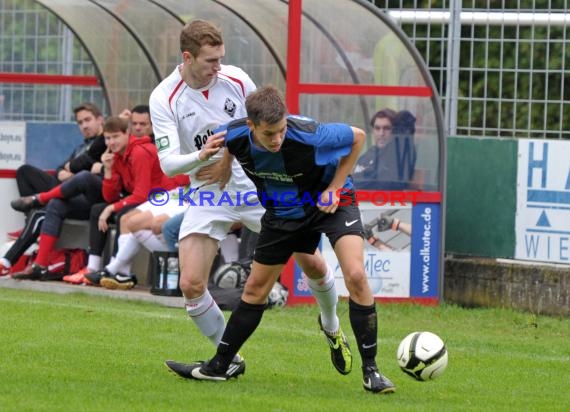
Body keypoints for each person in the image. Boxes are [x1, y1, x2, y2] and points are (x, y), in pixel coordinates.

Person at [150, 20, 351, 379]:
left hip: (256, 186)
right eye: (211, 60)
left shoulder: (237, 80)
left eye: (221, 58)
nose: (218, 66)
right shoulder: (164, 97)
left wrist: (227, 160)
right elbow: (167, 165)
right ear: (187, 56)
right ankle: (228, 359)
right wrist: (201, 158)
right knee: (191, 285)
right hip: (206, 193)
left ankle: (332, 326)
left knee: (314, 265)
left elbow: (260, 127)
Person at [175, 85, 396, 394]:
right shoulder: (236, 133)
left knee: (356, 275)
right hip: (283, 213)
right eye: (269, 134)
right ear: (251, 125)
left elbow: (358, 136)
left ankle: (372, 371)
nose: (277, 139)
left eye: (281, 130)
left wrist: (334, 186)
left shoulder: (310, 133)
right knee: (254, 290)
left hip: (330, 203)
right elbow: (225, 139)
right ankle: (218, 366)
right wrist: (225, 162)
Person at [12, 102, 106, 205]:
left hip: (82, 194)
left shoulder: (105, 142)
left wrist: (72, 173)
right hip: (63, 186)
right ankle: (33, 214)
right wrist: (62, 172)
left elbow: (85, 167)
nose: (84, 126)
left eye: (88, 120)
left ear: (99, 120)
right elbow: (60, 169)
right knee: (24, 171)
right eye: (80, 123)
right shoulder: (80, 148)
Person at [352, 108, 416, 191]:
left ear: (394, 131)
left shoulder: (397, 155)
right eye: (377, 128)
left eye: (386, 128)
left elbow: (385, 184)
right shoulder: (369, 154)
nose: (381, 133)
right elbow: (355, 181)